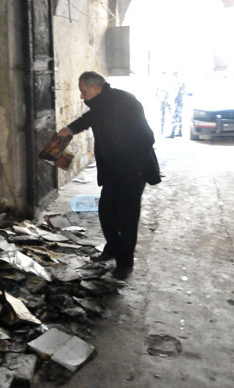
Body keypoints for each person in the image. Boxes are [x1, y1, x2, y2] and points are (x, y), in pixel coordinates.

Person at [57, 71, 160, 280]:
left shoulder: (126, 103)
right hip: (114, 169)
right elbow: (89, 119)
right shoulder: (101, 105)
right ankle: (113, 248)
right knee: (106, 211)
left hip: (133, 169)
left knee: (127, 217)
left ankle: (125, 263)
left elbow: (147, 137)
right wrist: (69, 130)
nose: (81, 96)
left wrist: (132, 166)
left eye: (83, 91)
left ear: (96, 88)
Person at [166, 71, 185, 138]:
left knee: (173, 116)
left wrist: (172, 100)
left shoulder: (178, 81)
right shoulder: (180, 81)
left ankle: (172, 132)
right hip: (179, 101)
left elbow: (175, 92)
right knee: (179, 116)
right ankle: (179, 131)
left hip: (176, 101)